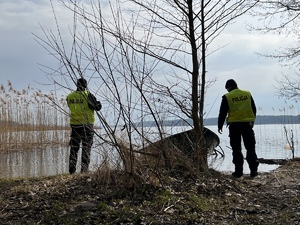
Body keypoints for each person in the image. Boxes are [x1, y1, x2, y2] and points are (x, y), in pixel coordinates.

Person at [218, 79, 259, 178]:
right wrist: (252, 121)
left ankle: (238, 172)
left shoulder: (227, 96)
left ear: (228, 88)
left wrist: (220, 125)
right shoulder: (247, 94)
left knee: (236, 149)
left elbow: (222, 113)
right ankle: (253, 171)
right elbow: (254, 109)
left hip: (234, 126)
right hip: (247, 125)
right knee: (250, 147)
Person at [66, 78, 101, 174]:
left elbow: (70, 106)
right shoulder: (88, 95)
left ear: (77, 85)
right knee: (86, 149)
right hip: (87, 126)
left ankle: (71, 171)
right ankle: (84, 171)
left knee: (74, 149)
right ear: (85, 85)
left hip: (75, 127)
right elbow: (98, 107)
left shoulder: (70, 96)